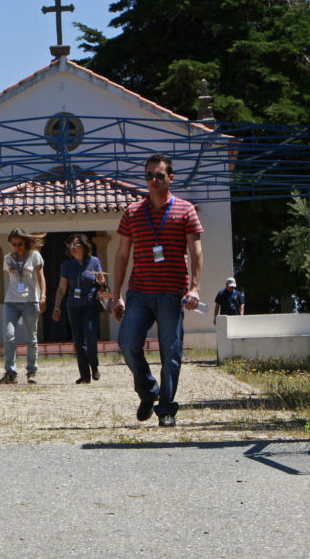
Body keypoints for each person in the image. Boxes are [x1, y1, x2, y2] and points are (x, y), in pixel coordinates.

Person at [111, 153, 203, 428]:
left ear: (170, 178)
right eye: (149, 175)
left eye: (159, 175)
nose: (153, 180)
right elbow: (122, 255)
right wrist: (117, 294)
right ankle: (148, 390)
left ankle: (166, 408)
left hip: (172, 292)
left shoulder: (186, 210)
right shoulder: (132, 212)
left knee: (170, 352)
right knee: (127, 345)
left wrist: (195, 288)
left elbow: (196, 251)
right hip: (139, 290)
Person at [0, 228, 46, 385]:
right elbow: (10, 279)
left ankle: (32, 372)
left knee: (31, 338)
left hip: (30, 302)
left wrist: (43, 296)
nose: (17, 247)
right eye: (14, 244)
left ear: (26, 243)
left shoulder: (34, 256)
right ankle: (10, 373)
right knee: (9, 336)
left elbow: (41, 277)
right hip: (11, 302)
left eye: (20, 244)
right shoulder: (8, 258)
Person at [52, 233, 103, 384]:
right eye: (70, 245)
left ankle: (94, 365)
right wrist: (56, 307)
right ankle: (85, 375)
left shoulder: (94, 262)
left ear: (84, 246)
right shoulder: (66, 265)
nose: (72, 248)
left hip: (90, 304)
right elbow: (62, 288)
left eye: (76, 245)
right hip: (73, 306)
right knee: (78, 340)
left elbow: (102, 284)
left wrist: (102, 280)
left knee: (91, 335)